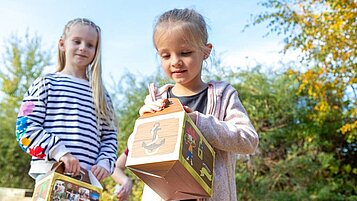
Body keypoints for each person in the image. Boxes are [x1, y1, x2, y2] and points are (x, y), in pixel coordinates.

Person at [137, 8, 259, 201]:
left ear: (206, 51)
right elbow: (137, 155)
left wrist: (198, 122)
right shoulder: (155, 99)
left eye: (185, 52)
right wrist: (143, 124)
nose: (176, 62)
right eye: (166, 55)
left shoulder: (223, 95)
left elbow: (248, 140)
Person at [15, 18, 118, 183]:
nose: (83, 48)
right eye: (77, 41)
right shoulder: (45, 84)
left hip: (87, 181)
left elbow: (110, 136)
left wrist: (105, 162)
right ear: (62, 44)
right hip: (50, 175)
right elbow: (25, 129)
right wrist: (60, 152)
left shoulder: (102, 95)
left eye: (90, 45)